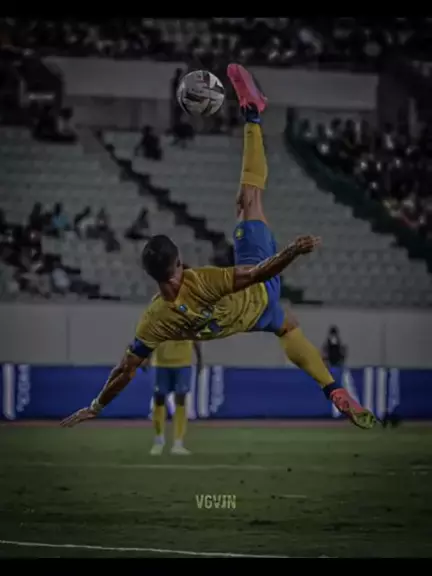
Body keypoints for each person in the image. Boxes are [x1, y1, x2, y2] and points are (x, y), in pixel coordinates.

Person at [61, 63, 376, 431]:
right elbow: (257, 273)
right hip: (258, 293)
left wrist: (96, 406)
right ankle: (253, 113)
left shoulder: (153, 320)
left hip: (252, 319)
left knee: (288, 327)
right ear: (179, 264)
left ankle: (334, 390)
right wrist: (292, 251)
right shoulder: (202, 281)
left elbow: (125, 370)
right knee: (248, 199)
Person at [149, 340, 202, 456]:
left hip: (183, 363)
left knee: (180, 399)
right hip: (161, 363)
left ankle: (178, 443)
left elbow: (196, 339)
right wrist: (146, 356)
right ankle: (159, 440)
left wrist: (199, 359)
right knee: (159, 398)